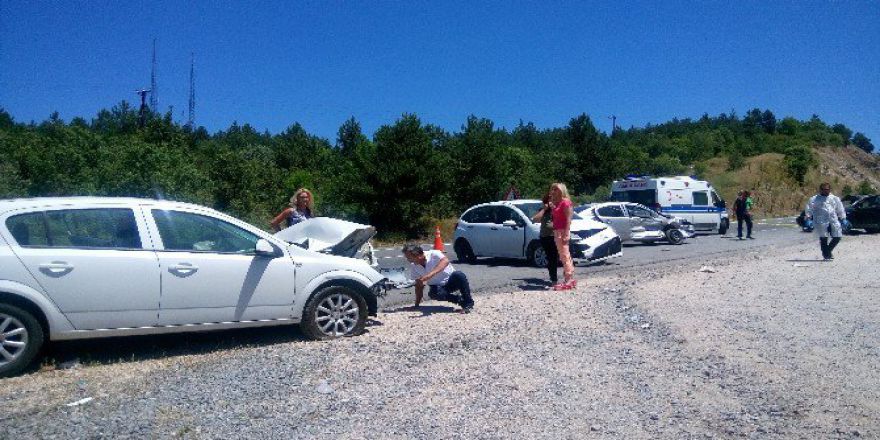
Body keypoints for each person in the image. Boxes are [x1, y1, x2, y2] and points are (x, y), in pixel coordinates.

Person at [403, 244, 474, 313]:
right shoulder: (414, 267)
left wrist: (429, 275)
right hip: (439, 287)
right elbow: (419, 286)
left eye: (409, 257)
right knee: (433, 294)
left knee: (459, 275)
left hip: (451, 281)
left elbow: (445, 261)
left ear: (418, 255)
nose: (408, 260)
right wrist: (416, 305)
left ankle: (468, 303)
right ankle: (461, 301)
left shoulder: (434, 253)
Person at [805, 182, 847, 260]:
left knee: (837, 236)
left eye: (827, 189)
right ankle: (827, 255)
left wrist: (843, 218)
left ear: (830, 189)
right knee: (823, 238)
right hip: (820, 221)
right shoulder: (814, 199)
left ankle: (827, 251)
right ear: (820, 190)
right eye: (824, 189)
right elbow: (809, 209)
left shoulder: (834, 198)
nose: (826, 191)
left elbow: (840, 209)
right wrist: (808, 219)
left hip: (833, 220)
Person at [549, 182, 576, 290]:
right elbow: (557, 217)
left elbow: (569, 219)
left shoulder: (565, 202)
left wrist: (566, 232)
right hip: (557, 231)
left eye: (556, 189)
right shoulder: (558, 203)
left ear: (562, 190)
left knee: (564, 255)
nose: (554, 191)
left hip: (562, 231)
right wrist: (552, 207)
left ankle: (569, 278)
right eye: (553, 189)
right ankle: (568, 278)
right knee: (563, 255)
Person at [531, 192, 559, 287]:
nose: (550, 201)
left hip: (555, 237)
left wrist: (554, 208)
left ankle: (555, 279)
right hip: (545, 237)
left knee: (554, 259)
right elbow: (535, 219)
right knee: (551, 258)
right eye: (549, 200)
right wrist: (545, 209)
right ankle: (554, 280)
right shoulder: (543, 210)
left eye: (552, 199)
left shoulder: (557, 209)